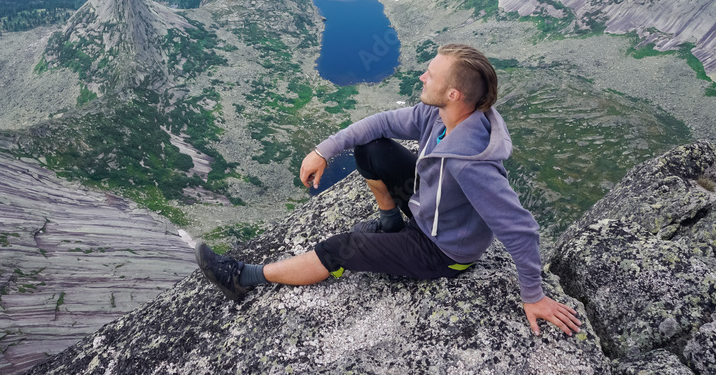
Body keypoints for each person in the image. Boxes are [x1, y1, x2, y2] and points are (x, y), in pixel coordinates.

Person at [196, 43, 581, 337]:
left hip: (441, 250)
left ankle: (242, 278)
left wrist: (533, 294)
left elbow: (520, 228)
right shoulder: (440, 114)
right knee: (371, 147)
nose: (422, 78)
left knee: (340, 248)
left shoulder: (471, 163)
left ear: (454, 94)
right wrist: (323, 150)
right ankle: (389, 222)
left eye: (431, 74)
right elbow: (379, 123)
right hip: (429, 212)